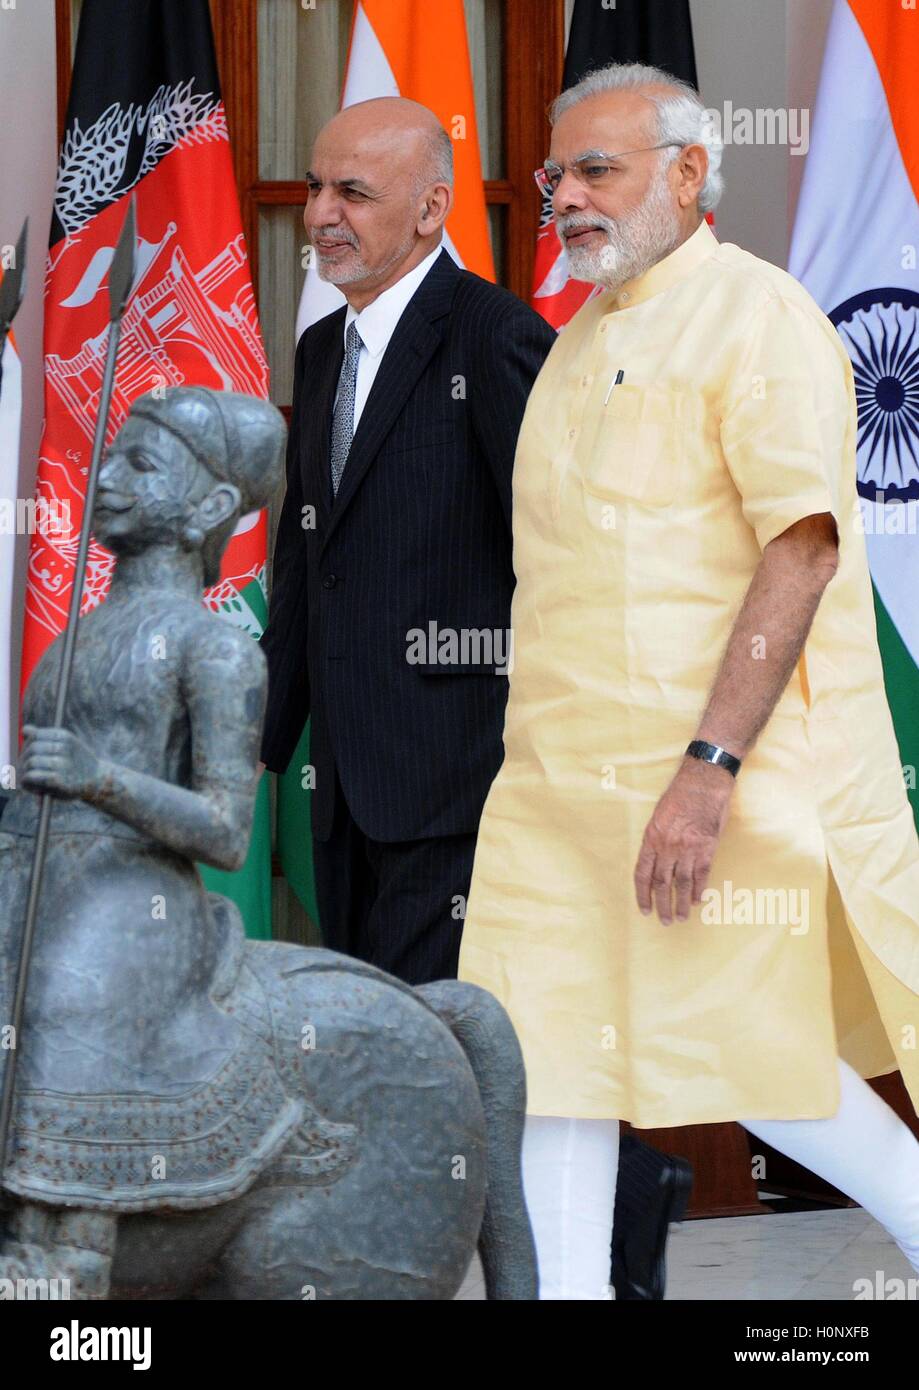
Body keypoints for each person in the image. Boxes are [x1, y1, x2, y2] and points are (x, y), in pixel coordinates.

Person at [458, 61, 919, 1300]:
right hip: (554, 795)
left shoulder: (756, 315)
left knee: (755, 1060)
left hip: (706, 779)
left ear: (687, 171)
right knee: (549, 1065)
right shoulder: (574, 339)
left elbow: (802, 545)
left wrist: (706, 771)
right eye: (557, 175)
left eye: (597, 170)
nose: (565, 199)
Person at [259, 95, 690, 1299]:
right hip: (344, 791)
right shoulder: (316, 348)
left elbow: (565, 561)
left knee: (440, 1071)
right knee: (403, 1064)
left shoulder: (493, 338)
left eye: (353, 193)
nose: (321, 215)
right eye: (315, 186)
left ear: (432, 207)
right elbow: (308, 564)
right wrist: (258, 742)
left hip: (467, 786)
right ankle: (608, 1218)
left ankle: (598, 1230)